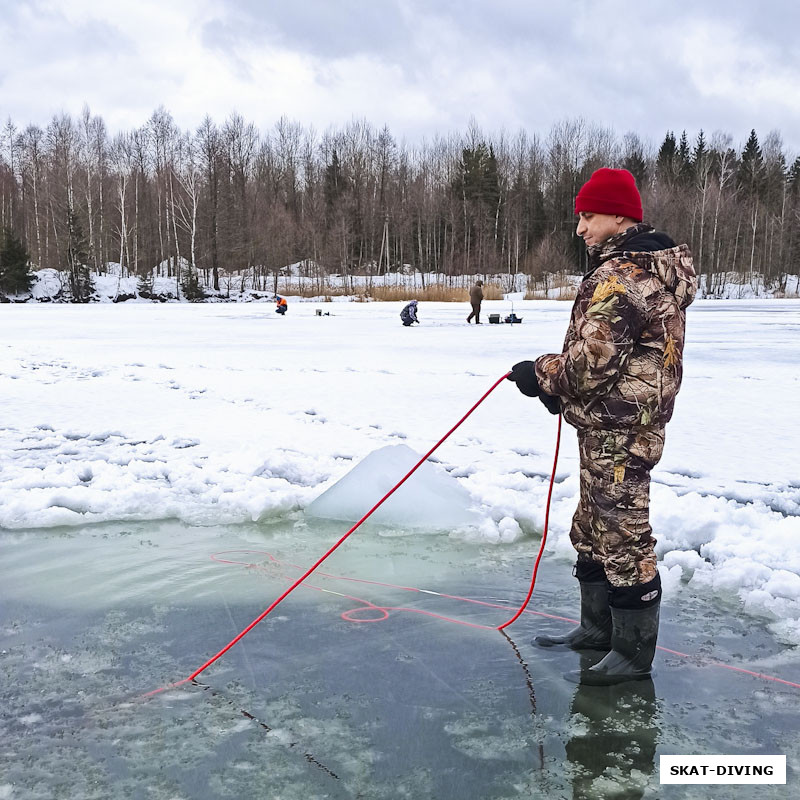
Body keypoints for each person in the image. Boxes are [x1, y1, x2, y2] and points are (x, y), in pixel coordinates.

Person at [507, 167, 697, 685]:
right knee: (591, 529)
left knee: (623, 534)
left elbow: (590, 364)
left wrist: (541, 373)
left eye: (587, 216)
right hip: (608, 421)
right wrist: (562, 394)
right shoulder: (631, 269)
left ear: (619, 216)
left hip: (622, 430)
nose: (580, 228)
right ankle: (597, 631)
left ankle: (633, 654)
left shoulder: (624, 277)